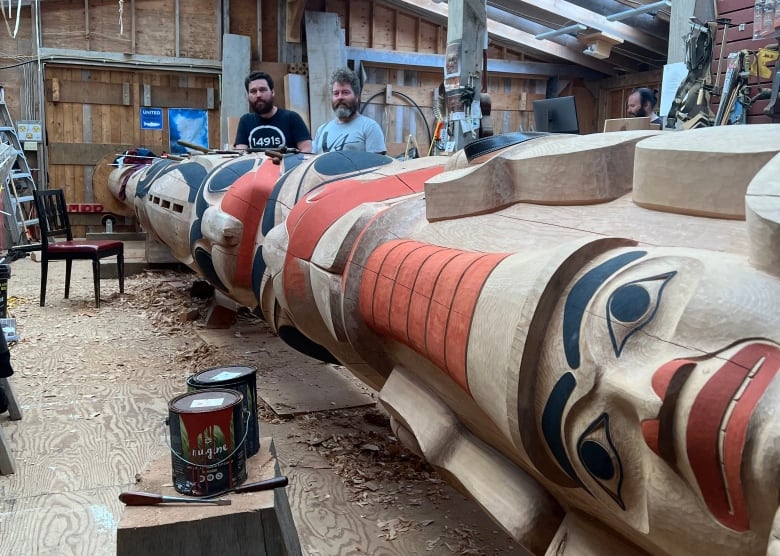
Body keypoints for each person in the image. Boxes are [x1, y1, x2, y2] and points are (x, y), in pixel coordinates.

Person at [312, 68, 386, 155]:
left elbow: (378, 165)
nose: (340, 97)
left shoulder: (370, 128)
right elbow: (312, 163)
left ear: (357, 96)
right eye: (336, 93)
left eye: (345, 92)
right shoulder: (322, 130)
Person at [234, 71, 312, 153]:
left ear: (273, 92)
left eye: (263, 90)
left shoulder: (291, 118)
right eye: (253, 91)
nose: (258, 95)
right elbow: (240, 154)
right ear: (248, 95)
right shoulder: (245, 121)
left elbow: (307, 150)